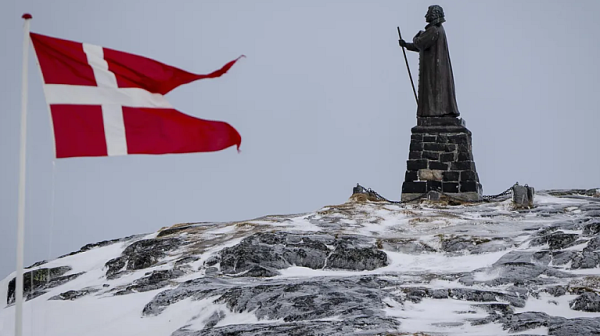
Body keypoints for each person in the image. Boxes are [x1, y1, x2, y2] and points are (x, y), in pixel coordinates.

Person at [399, 5, 460, 118]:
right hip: (435, 67)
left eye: (428, 13)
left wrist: (416, 37)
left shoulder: (433, 30)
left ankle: (435, 112)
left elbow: (420, 43)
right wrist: (406, 45)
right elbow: (423, 46)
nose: (425, 16)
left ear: (433, 14)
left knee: (434, 90)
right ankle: (437, 111)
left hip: (434, 68)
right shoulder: (438, 29)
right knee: (436, 91)